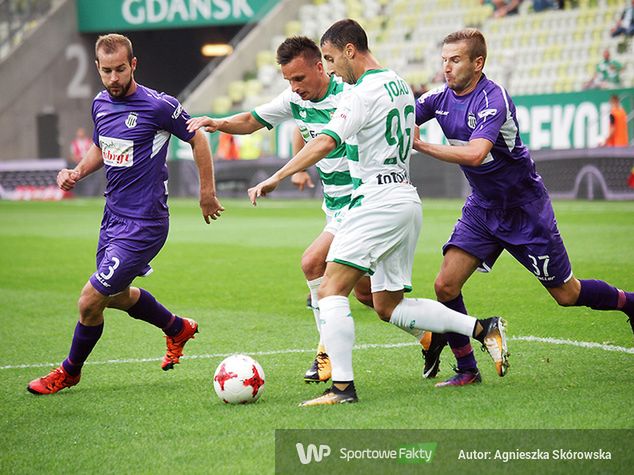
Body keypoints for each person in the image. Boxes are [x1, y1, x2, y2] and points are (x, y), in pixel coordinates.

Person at [247, 19, 509, 406]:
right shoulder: (400, 83)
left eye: (333, 59)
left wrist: (279, 175)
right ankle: (483, 328)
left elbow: (325, 141)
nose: (332, 68)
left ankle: (341, 388)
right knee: (388, 305)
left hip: (375, 202)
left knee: (331, 287)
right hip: (405, 199)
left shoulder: (359, 93)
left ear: (350, 50)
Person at [413, 28, 634, 388]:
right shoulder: (438, 98)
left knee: (567, 294)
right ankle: (467, 368)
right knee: (445, 286)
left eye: (455, 60)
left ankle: (629, 303)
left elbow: (475, 153)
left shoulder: (492, 99)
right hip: (482, 209)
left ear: (477, 62)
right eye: (443, 61)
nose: (446, 68)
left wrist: (420, 146)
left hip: (525, 211)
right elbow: (401, 114)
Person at [27, 34, 224, 395]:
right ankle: (177, 327)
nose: (114, 78)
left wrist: (207, 192)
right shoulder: (100, 104)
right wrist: (76, 172)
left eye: (120, 69)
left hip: (145, 223)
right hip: (113, 218)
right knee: (114, 296)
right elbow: (102, 148)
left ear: (133, 65)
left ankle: (70, 371)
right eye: (106, 71)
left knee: (89, 300)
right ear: (98, 69)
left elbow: (198, 137)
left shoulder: (158, 106)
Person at [187, 36, 378, 386]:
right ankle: (431, 337)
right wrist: (217, 122)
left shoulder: (349, 96)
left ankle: (328, 357)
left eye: (299, 79)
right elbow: (252, 119)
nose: (294, 87)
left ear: (321, 66)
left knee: (312, 263)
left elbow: (324, 138)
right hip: (335, 206)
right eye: (288, 80)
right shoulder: (296, 99)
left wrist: (284, 174)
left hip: (363, 202)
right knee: (373, 297)